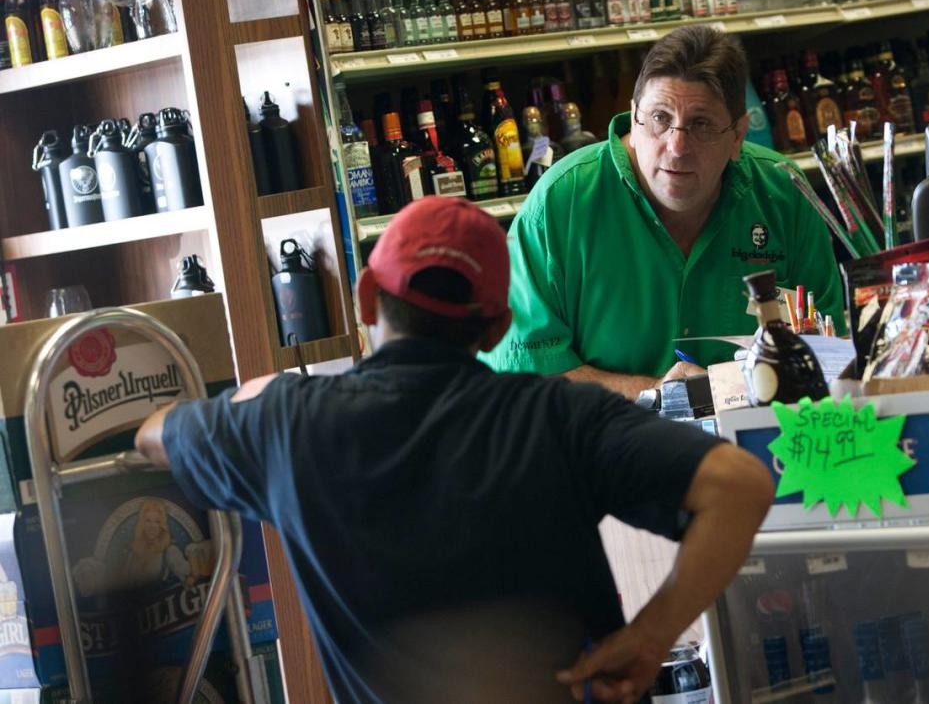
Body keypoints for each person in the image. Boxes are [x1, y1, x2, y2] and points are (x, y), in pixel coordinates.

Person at [136, 196, 773, 703]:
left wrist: (258, 395)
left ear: (364, 298)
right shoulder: (559, 416)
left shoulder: (287, 424)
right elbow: (741, 486)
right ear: (497, 325)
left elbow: (153, 436)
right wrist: (650, 636)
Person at [480, 25, 846, 401]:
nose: (676, 145)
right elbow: (524, 374)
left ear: (738, 136)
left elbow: (829, 354)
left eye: (700, 124)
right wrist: (655, 393)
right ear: (634, 118)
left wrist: (726, 393)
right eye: (659, 118)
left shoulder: (784, 193)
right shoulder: (561, 202)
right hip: (603, 444)